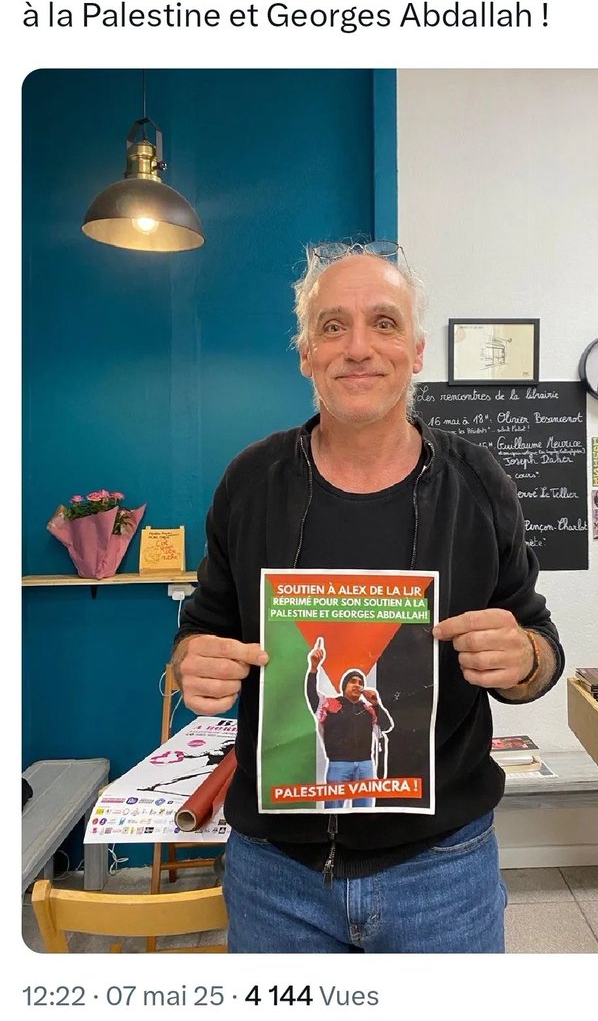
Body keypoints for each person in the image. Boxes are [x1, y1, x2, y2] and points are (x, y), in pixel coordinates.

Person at [171, 239, 565, 954]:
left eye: (384, 323)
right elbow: (201, 629)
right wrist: (194, 662)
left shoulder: (478, 485)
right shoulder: (250, 482)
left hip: (443, 871)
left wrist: (523, 658)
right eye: (333, 327)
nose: (358, 347)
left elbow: (540, 647)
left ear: (416, 351)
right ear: (306, 355)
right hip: (276, 877)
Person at [306, 639, 394, 809]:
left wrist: (376, 703)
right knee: (333, 810)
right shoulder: (330, 704)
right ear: (344, 686)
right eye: (353, 681)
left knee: (364, 812)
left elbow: (387, 726)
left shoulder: (368, 709)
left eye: (360, 683)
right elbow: (312, 696)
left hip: (366, 765)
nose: (357, 685)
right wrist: (314, 668)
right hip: (338, 765)